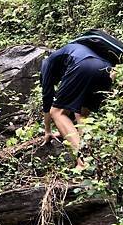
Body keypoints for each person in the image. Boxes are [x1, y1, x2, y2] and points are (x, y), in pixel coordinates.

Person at [40, 42, 116, 170]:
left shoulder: (46, 63)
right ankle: (93, 155)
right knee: (82, 112)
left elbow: (47, 98)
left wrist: (47, 130)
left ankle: (83, 162)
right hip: (107, 69)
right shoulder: (68, 52)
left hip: (83, 64)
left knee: (57, 113)